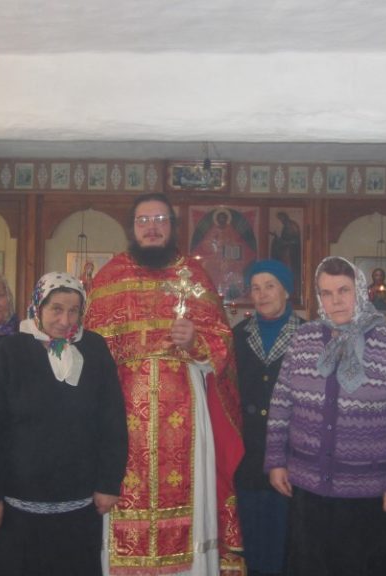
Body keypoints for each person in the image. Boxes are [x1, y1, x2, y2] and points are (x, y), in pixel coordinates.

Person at [84, 192, 246, 575]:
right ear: (132, 228)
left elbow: (223, 345)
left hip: (186, 418)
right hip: (122, 417)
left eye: (160, 220)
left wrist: (196, 342)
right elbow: (90, 354)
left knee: (191, 502)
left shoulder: (195, 276)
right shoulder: (109, 277)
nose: (152, 228)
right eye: (143, 221)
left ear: (173, 227)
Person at [265, 256, 386, 576]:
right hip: (309, 490)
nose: (335, 301)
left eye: (343, 290)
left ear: (360, 291)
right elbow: (281, 404)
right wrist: (275, 460)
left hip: (369, 496)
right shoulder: (303, 341)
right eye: (326, 293)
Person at [0, 271, 128, 576]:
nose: (65, 320)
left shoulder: (94, 348)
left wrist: (109, 483)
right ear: (38, 307)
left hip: (79, 505)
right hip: (18, 506)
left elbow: (112, 421)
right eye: (56, 309)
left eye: (73, 311)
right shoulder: (10, 351)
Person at [232, 260, 304, 576]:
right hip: (248, 456)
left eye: (270, 286)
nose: (261, 294)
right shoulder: (237, 335)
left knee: (288, 541)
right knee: (252, 541)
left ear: (286, 291)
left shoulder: (310, 336)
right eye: (256, 288)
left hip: (293, 455)